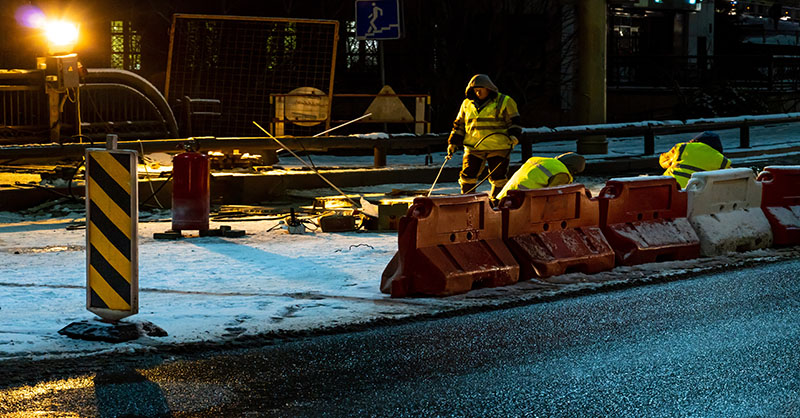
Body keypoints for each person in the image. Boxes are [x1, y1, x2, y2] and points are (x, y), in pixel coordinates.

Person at [447, 74, 522, 199]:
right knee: (468, 175)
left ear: (489, 89)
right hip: (473, 147)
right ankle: (467, 200)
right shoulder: (466, 104)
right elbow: (459, 125)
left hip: (498, 146)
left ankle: (497, 201)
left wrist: (514, 136)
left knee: (498, 177)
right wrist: (453, 143)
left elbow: (515, 121)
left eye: (481, 89)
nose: (478, 92)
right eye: (475, 90)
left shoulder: (504, 101)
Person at [495, 152, 586, 200]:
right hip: (521, 202)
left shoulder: (539, 160)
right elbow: (554, 196)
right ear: (574, 170)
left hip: (504, 197)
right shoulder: (562, 173)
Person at [659, 131, 731, 188]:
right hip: (696, 195)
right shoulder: (722, 161)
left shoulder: (682, 148)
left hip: (668, 187)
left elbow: (663, 161)